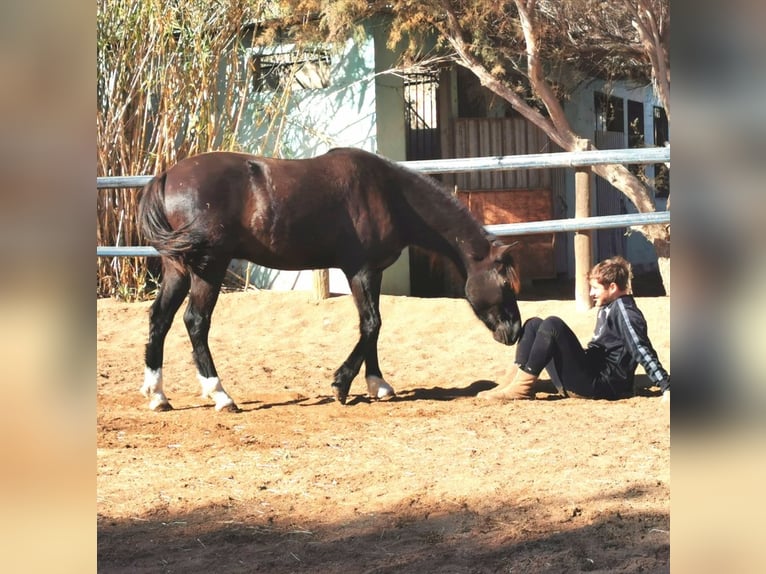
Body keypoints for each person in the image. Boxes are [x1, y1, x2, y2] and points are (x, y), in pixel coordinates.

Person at [479, 255, 670, 401]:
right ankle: (511, 383)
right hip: (589, 375)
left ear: (612, 287)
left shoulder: (625, 311)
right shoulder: (610, 306)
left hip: (603, 386)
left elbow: (641, 348)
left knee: (553, 325)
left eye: (596, 288)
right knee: (534, 324)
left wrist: (666, 386)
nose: (591, 293)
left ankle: (522, 388)